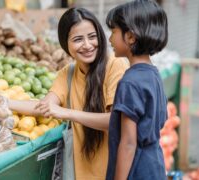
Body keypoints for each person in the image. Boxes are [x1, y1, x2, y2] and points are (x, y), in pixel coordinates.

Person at [9, 7, 128, 180]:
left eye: (92, 37)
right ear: (66, 44)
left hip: (113, 172)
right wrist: (2, 102)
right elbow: (44, 107)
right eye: (78, 39)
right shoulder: (68, 73)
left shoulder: (115, 66)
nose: (87, 45)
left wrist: (67, 113)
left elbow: (115, 120)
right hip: (81, 173)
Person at [105, 0, 168, 180]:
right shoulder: (153, 74)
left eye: (113, 31)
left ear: (131, 37)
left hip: (135, 170)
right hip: (154, 165)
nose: (110, 39)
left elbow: (129, 143)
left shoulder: (129, 82)